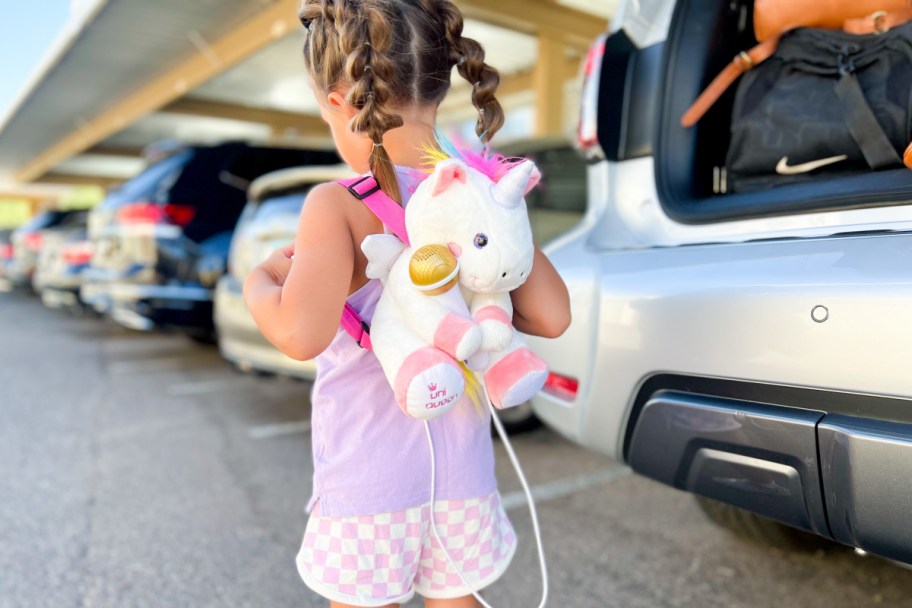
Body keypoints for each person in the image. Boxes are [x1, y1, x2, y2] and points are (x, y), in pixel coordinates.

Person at [244, 1, 571, 606]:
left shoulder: (338, 205)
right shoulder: (477, 191)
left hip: (370, 479)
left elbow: (299, 334)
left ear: (338, 104)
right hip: (462, 475)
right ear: (442, 86)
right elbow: (552, 315)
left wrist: (258, 283)